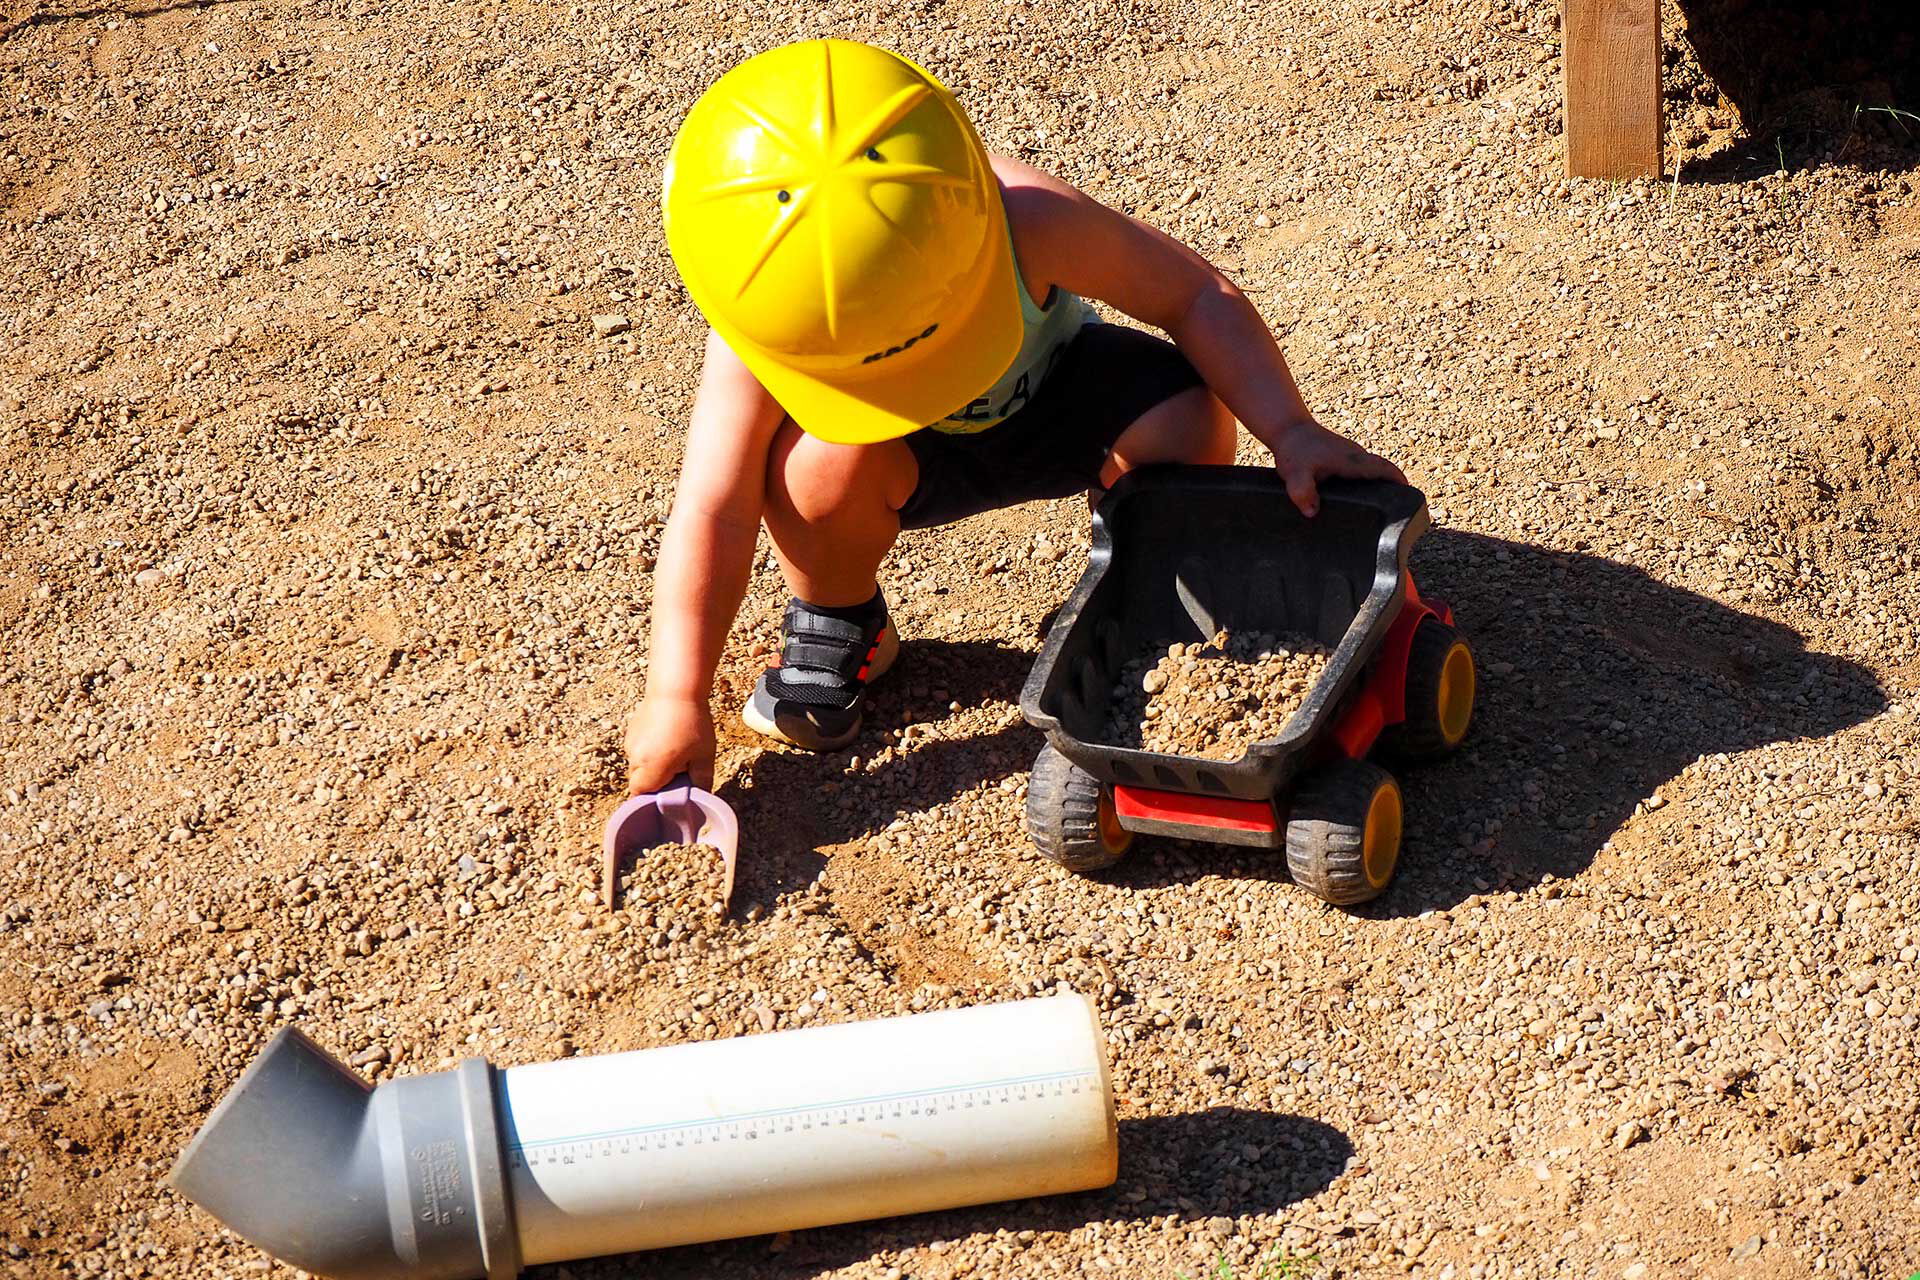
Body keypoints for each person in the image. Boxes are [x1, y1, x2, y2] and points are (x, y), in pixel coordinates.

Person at [623, 37, 1403, 794]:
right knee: (810, 475)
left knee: (1185, 417)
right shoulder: (766, 319)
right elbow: (713, 506)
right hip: (898, 450)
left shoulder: (1024, 217)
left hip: (1056, 395)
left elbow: (1191, 294)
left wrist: (1290, 430)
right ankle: (844, 617)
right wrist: (676, 698)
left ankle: (1141, 584)